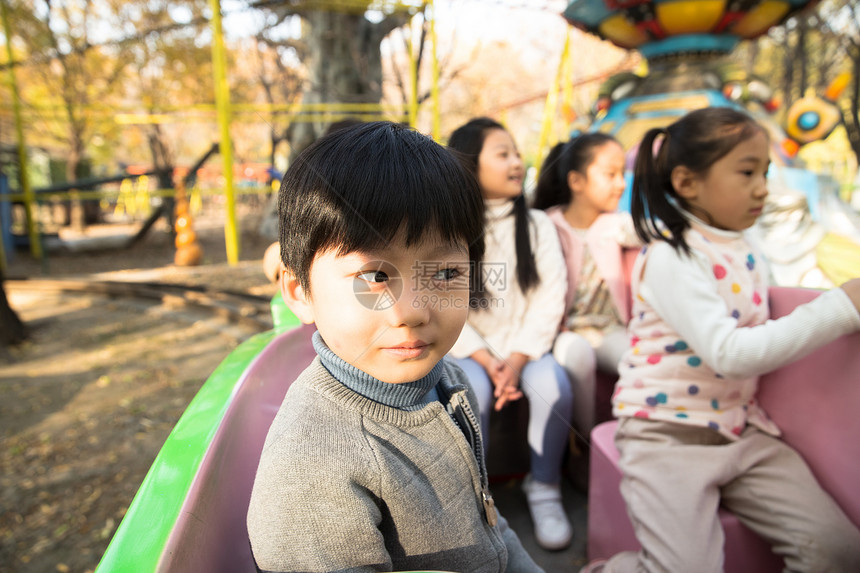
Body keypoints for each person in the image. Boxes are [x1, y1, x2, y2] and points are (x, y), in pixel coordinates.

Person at [246, 121, 544, 573]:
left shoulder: (446, 378)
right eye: (375, 277)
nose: (412, 311)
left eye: (444, 274)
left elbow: (488, 521)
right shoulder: (313, 466)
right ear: (299, 290)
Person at [583, 107, 860, 572]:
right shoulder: (673, 256)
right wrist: (840, 306)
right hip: (665, 435)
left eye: (766, 172)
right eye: (747, 172)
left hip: (741, 431)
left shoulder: (747, 247)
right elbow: (730, 354)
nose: (763, 188)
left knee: (839, 551)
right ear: (688, 183)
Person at [446, 117, 574, 551]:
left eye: (517, 153)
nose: (517, 162)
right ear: (469, 164)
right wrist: (485, 359)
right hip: (469, 351)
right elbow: (444, 299)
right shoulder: (449, 226)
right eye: (503, 154)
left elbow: (549, 297)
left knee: (552, 387)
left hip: (527, 348)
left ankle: (545, 488)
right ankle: (477, 502)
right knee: (471, 393)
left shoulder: (537, 224)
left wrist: (517, 360)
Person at [532, 133, 639, 437]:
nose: (620, 183)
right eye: (610, 174)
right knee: (577, 355)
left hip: (609, 329)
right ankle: (585, 438)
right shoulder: (548, 224)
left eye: (623, 174)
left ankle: (630, 436)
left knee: (636, 360)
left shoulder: (616, 224)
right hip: (564, 331)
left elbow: (652, 232)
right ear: (576, 181)